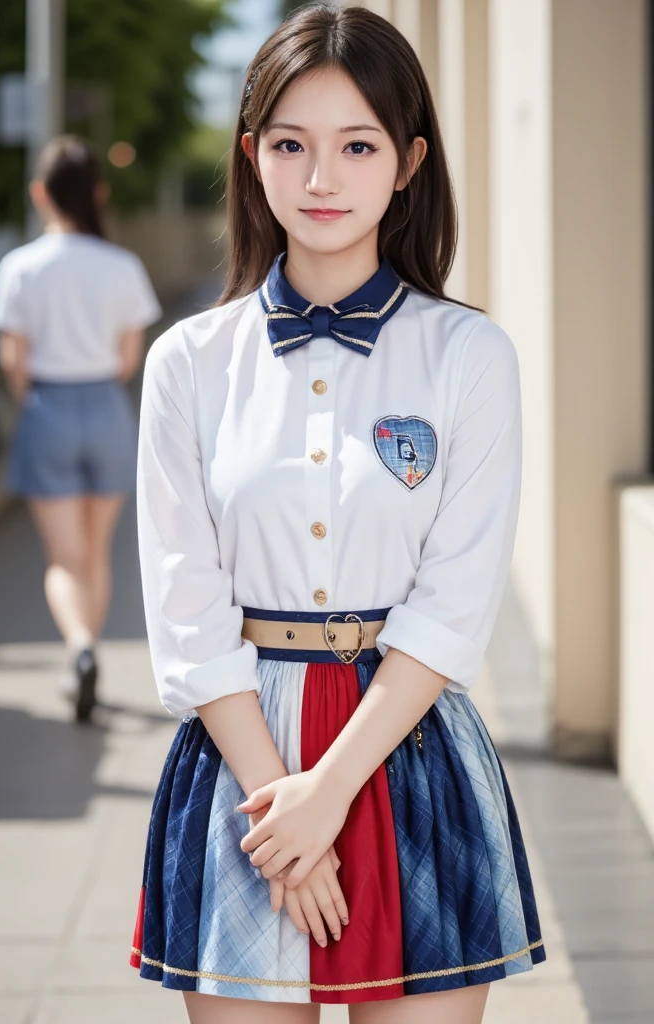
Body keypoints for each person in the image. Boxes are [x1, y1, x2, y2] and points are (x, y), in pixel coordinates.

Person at [130, 5, 545, 1022]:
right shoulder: (189, 363)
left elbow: (455, 598)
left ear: (406, 162)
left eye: (356, 145)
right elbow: (186, 604)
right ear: (251, 158)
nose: (321, 178)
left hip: (407, 751)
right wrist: (283, 807)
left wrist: (330, 794)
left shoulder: (469, 356)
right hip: (241, 766)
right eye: (291, 145)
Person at [0, 135, 162, 722]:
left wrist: (36, 404)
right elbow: (127, 360)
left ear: (40, 194)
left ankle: (80, 650)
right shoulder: (122, 266)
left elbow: (14, 362)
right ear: (99, 193)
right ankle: (88, 646)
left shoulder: (20, 267)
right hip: (107, 410)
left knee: (64, 559)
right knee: (96, 555)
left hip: (48, 409)